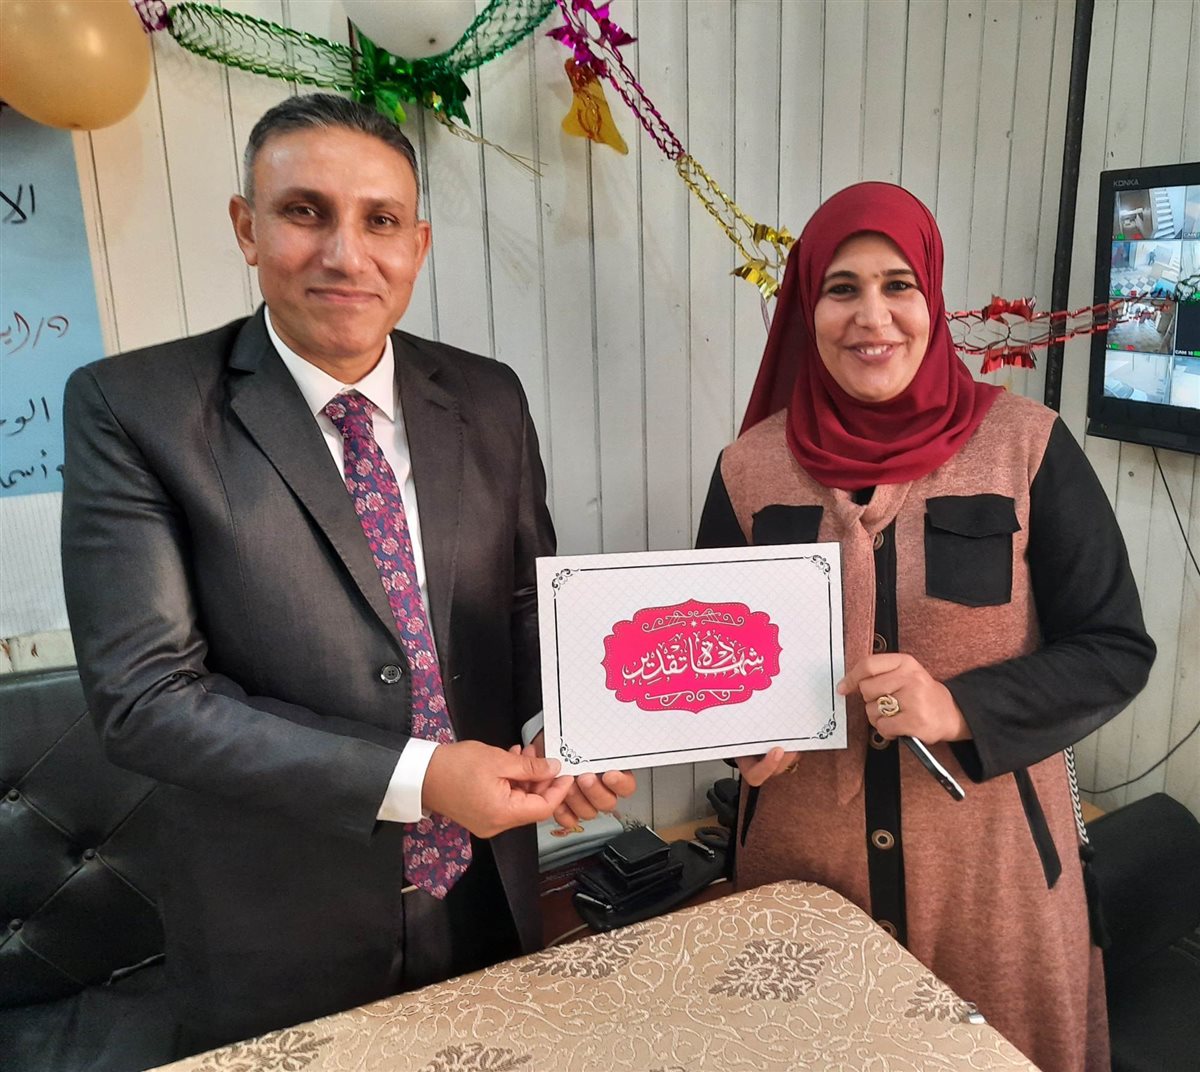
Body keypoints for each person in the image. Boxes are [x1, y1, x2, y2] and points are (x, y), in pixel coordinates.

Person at [60, 93, 633, 1051]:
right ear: (246, 227)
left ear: (418, 244)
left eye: (381, 221)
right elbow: (146, 699)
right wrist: (422, 777)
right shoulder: (135, 408)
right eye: (304, 211)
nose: (346, 254)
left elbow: (526, 603)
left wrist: (563, 729)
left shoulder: (487, 395)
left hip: (487, 885)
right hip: (279, 923)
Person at [696, 182, 1155, 1072]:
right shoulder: (749, 470)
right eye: (842, 289)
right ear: (806, 306)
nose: (873, 317)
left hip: (993, 884)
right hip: (805, 876)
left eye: (898, 285)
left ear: (932, 297)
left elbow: (1113, 649)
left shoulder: (1027, 447)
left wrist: (958, 707)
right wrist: (738, 741)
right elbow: (714, 666)